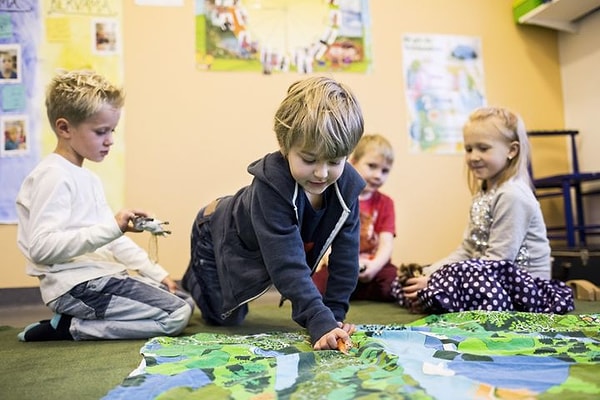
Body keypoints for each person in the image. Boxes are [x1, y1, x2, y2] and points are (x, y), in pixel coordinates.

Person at [182, 76, 365, 351]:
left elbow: (346, 259)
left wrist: (334, 317)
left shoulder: (347, 189)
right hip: (214, 230)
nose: (322, 172)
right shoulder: (270, 187)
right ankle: (188, 280)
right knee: (225, 318)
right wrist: (317, 318)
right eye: (309, 159)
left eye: (335, 162)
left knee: (246, 299)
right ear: (284, 146)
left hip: (260, 244)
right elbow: (288, 264)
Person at [16, 70, 193, 342]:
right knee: (176, 314)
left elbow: (111, 241)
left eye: (112, 130)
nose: (109, 139)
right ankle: (71, 328)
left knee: (183, 301)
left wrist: (157, 274)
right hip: (76, 286)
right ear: (64, 129)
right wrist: (112, 227)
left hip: (101, 278)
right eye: (101, 131)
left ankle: (71, 322)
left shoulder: (88, 178)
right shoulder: (53, 176)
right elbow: (41, 249)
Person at [394, 106, 574, 314]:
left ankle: (434, 295)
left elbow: (499, 262)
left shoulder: (512, 195)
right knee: (407, 284)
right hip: (488, 275)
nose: (473, 157)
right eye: (469, 149)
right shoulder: (484, 192)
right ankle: (431, 292)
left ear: (512, 150)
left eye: (483, 148)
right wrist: (430, 271)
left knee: (437, 288)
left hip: (522, 287)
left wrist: (437, 281)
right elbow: (467, 250)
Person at [312, 133, 397, 301]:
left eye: (385, 170)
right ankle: (351, 289)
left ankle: (355, 290)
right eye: (372, 166)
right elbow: (325, 238)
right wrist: (335, 261)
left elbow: (386, 243)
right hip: (339, 263)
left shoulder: (386, 203)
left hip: (371, 265)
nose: (378, 175)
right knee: (315, 287)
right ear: (353, 162)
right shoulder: (334, 198)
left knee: (391, 282)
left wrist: (374, 266)